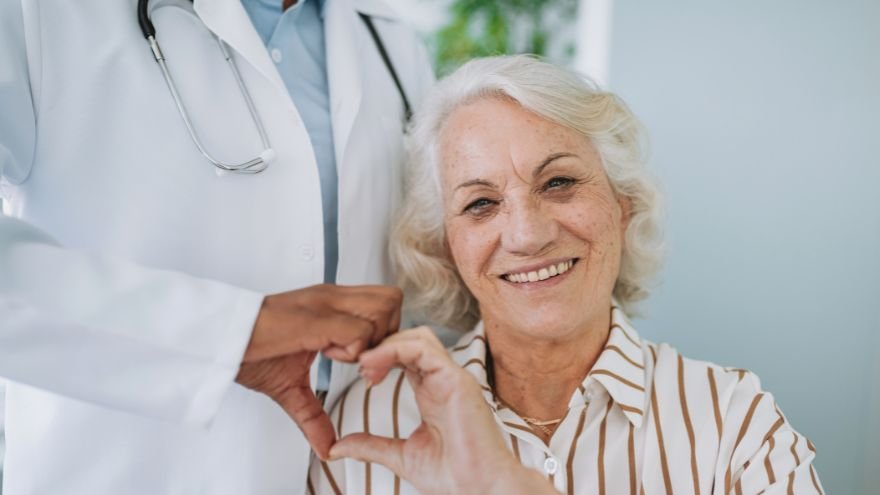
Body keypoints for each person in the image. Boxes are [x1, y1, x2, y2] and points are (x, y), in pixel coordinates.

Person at [311, 55, 825, 494]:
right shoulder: (368, 424)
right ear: (445, 244)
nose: (526, 235)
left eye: (558, 182)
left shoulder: (735, 422)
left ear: (623, 205)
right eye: (482, 203)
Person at [0, 0, 432, 493]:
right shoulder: (41, 14)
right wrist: (228, 335)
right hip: (125, 472)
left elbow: (429, 272)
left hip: (359, 472)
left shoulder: (390, 43)